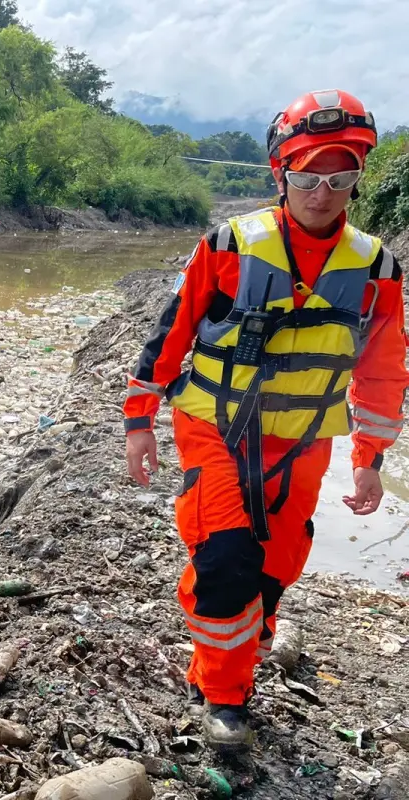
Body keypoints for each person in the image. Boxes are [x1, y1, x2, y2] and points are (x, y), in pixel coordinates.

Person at [122, 89, 408, 751]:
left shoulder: (375, 269)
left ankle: (241, 648)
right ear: (282, 172)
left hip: (303, 443)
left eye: (341, 177)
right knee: (225, 558)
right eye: (308, 175)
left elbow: (384, 371)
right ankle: (224, 697)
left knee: (272, 573)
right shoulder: (229, 245)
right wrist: (140, 417)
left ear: (358, 179)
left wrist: (369, 458)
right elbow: (171, 333)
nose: (323, 191)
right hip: (214, 428)